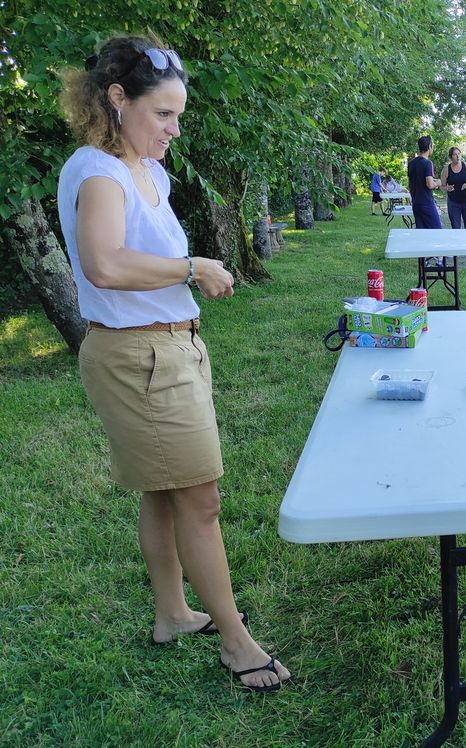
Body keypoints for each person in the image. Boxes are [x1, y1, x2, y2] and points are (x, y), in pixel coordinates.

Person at [56, 35, 292, 693]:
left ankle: (172, 612)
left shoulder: (147, 172)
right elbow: (103, 263)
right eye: (162, 113)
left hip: (170, 346)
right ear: (116, 99)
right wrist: (193, 267)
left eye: (178, 115)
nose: (173, 129)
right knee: (200, 499)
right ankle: (237, 645)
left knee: (165, 489)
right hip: (139, 355)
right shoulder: (97, 171)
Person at [407, 135, 443, 265]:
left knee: (421, 232)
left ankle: (424, 260)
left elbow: (410, 183)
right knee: (437, 230)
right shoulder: (427, 163)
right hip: (426, 202)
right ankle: (439, 260)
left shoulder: (412, 163)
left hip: (416, 202)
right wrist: (438, 182)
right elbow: (429, 184)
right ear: (429, 147)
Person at [440, 146, 466, 230]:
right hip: (453, 202)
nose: (457, 156)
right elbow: (442, 187)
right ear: (450, 157)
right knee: (456, 228)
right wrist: (447, 188)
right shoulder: (446, 169)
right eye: (455, 154)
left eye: (459, 154)